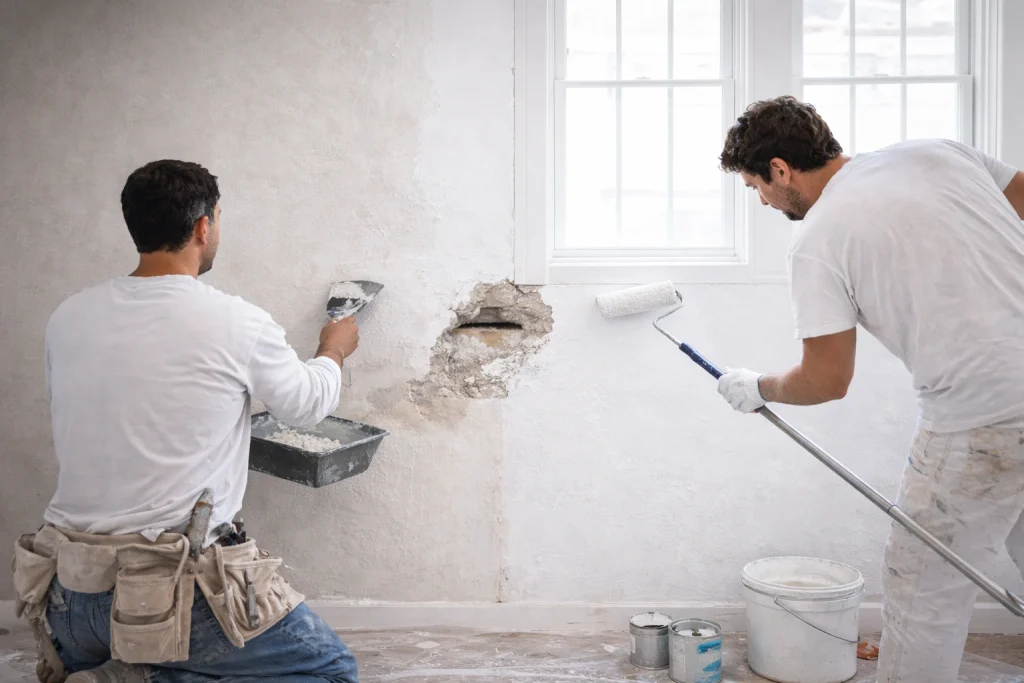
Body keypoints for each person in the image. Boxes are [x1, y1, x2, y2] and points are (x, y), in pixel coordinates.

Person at [11, 160, 360, 683]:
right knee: (330, 672)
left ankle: (115, 667)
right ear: (203, 227)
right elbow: (305, 405)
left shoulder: (69, 316)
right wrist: (333, 350)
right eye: (217, 217)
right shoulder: (235, 320)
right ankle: (138, 677)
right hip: (167, 595)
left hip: (67, 599)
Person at [714, 95, 1024, 682]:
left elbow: (826, 381)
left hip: (979, 420)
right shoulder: (936, 153)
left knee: (925, 588)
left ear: (781, 169)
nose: (761, 199)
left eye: (757, 186)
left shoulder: (819, 238)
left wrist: (760, 386)